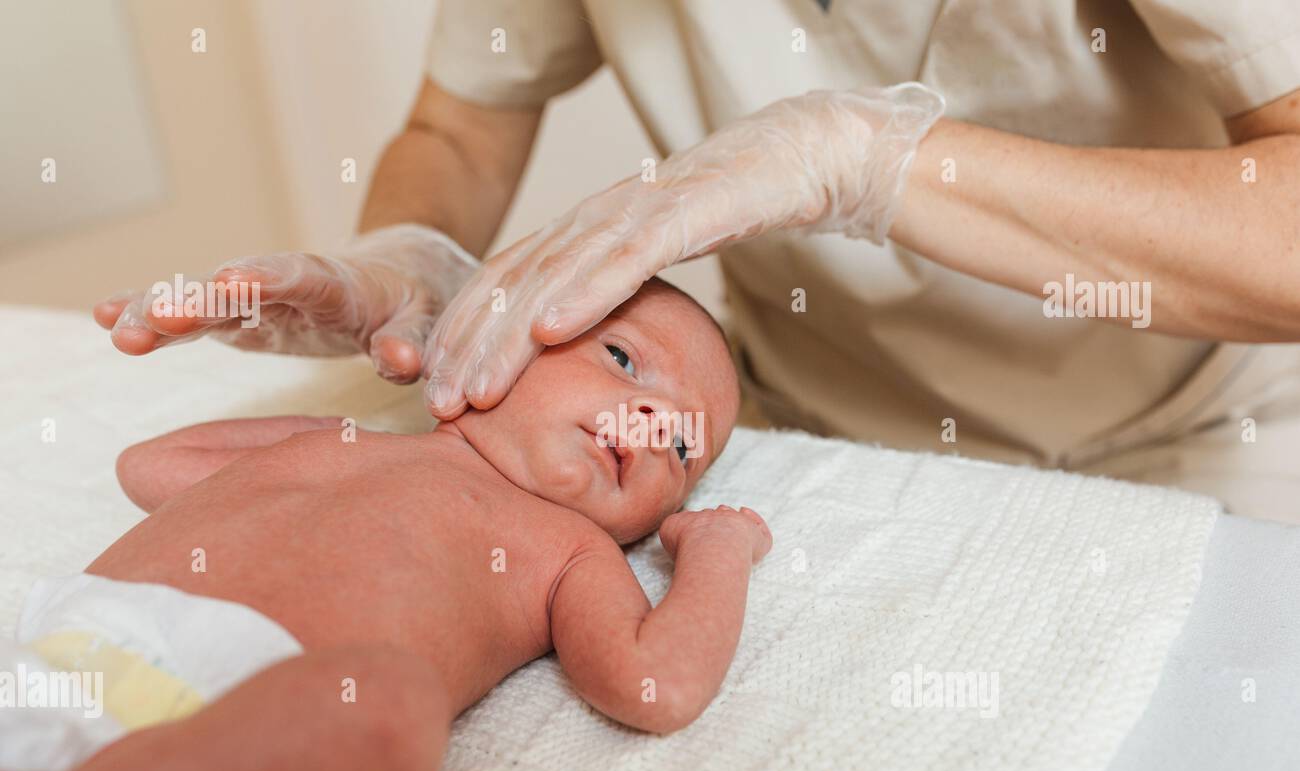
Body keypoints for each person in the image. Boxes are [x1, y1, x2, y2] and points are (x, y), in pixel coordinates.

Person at [93, 1, 1300, 521]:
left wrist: (865, 158)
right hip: (818, 436)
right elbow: (458, 127)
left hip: (1201, 434)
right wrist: (408, 254)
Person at [2, 279, 769, 771]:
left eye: (682, 449)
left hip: (246, 747)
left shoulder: (568, 550)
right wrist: (326, 431)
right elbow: (152, 465)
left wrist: (717, 555)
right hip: (57, 670)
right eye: (624, 359)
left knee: (386, 708)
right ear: (497, 345)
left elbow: (652, 686)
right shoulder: (351, 442)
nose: (654, 420)